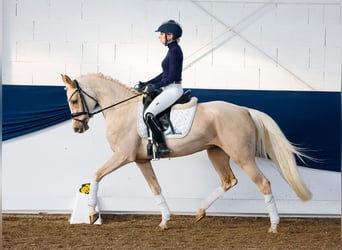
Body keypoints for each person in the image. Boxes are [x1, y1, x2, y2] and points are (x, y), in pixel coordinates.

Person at [138, 20, 184, 157]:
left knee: (149, 114)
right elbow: (164, 74)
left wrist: (155, 86)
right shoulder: (172, 51)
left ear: (170, 36)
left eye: (161, 34)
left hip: (173, 89)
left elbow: (172, 76)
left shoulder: (175, 51)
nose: (159, 37)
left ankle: (162, 146)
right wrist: (147, 83)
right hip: (168, 88)